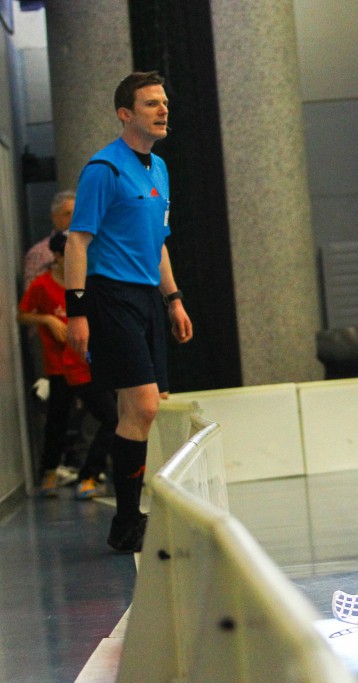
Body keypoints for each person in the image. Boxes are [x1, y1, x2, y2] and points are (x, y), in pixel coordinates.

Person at [65, 71, 193, 552]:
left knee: (137, 410)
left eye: (164, 103)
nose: (163, 110)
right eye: (150, 104)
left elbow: (158, 243)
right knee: (143, 405)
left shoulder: (159, 168)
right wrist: (76, 310)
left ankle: (127, 518)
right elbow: (78, 242)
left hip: (146, 298)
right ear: (125, 114)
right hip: (110, 294)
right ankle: (126, 521)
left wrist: (174, 299)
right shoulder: (104, 169)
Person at [17, 231, 118, 500]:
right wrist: (48, 320)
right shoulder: (42, 285)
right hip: (60, 365)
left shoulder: (89, 282)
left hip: (85, 364)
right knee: (57, 420)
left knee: (108, 417)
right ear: (57, 256)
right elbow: (23, 314)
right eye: (67, 253)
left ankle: (89, 474)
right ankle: (52, 471)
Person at [23, 190, 76, 291]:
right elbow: (33, 293)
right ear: (54, 217)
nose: (73, 219)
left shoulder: (93, 247)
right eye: (67, 214)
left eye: (77, 214)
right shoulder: (40, 253)